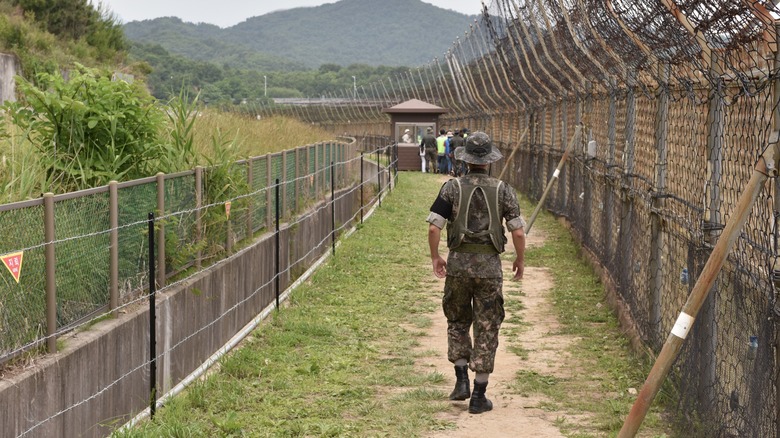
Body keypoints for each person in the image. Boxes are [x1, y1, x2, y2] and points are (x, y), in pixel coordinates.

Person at [426, 131, 526, 414]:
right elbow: (517, 231)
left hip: (457, 265)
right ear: (489, 160)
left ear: (466, 160)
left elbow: (434, 226)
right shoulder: (504, 190)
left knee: (457, 318)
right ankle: (479, 395)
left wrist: (436, 256)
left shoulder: (451, 187)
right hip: (490, 268)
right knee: (487, 324)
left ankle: (460, 381)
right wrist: (520, 259)